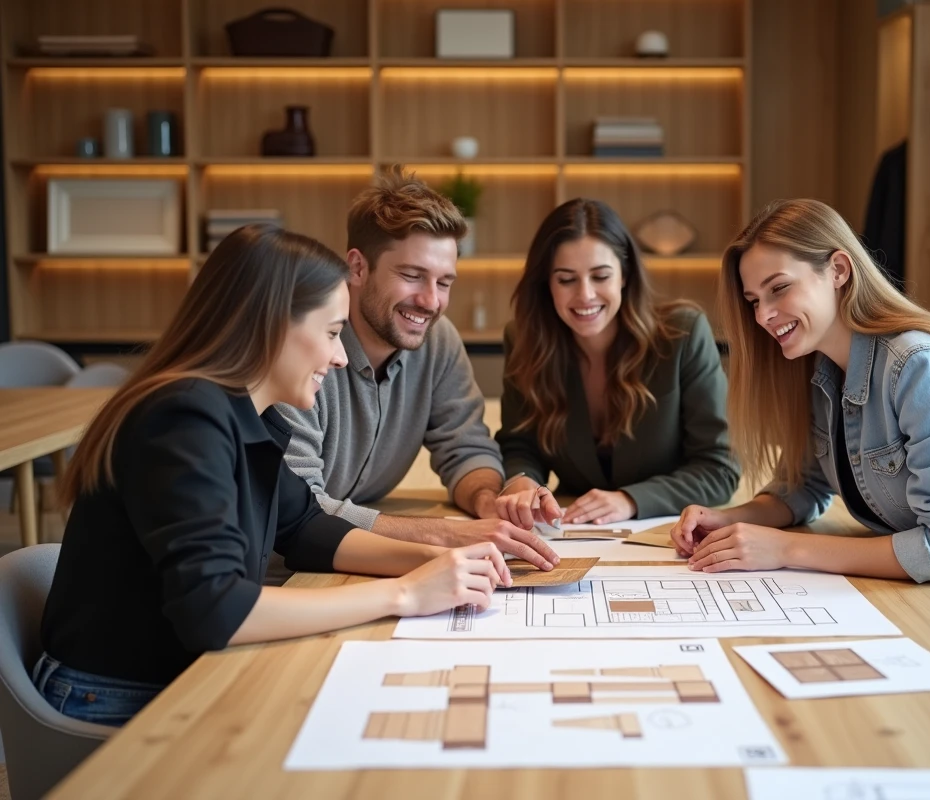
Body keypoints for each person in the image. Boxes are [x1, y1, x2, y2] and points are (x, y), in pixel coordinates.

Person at [37, 225, 508, 726]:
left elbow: (305, 527)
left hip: (182, 671)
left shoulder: (243, 411)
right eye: (331, 333)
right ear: (271, 325)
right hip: (110, 694)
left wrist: (440, 562)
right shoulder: (182, 419)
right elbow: (214, 609)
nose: (341, 356)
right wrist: (407, 593)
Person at [669, 199, 930, 646]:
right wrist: (726, 520)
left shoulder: (919, 365)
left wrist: (785, 549)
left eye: (779, 289)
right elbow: (804, 490)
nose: (762, 316)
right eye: (754, 300)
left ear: (838, 270)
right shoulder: (821, 370)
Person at [276, 166, 558, 571]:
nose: (430, 302)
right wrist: (444, 534)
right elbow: (299, 507)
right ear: (357, 268)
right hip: (280, 572)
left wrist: (491, 503)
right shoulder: (301, 345)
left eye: (444, 283)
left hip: (353, 562)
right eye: (412, 276)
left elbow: (465, 448)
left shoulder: (438, 340)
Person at [494, 198, 740, 527]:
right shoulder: (524, 339)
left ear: (624, 275)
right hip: (569, 529)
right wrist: (521, 481)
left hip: (667, 531)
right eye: (566, 279)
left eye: (600, 276)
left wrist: (630, 500)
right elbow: (519, 445)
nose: (585, 295)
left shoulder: (683, 333)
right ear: (546, 284)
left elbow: (719, 469)